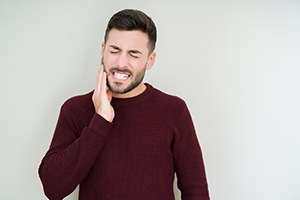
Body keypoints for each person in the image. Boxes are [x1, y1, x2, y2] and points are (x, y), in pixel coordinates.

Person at [38, 9, 210, 200]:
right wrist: (101, 120)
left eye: (133, 54)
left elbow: (196, 191)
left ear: (150, 60)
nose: (121, 62)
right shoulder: (75, 109)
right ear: (103, 50)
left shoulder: (174, 110)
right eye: (114, 50)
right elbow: (53, 188)